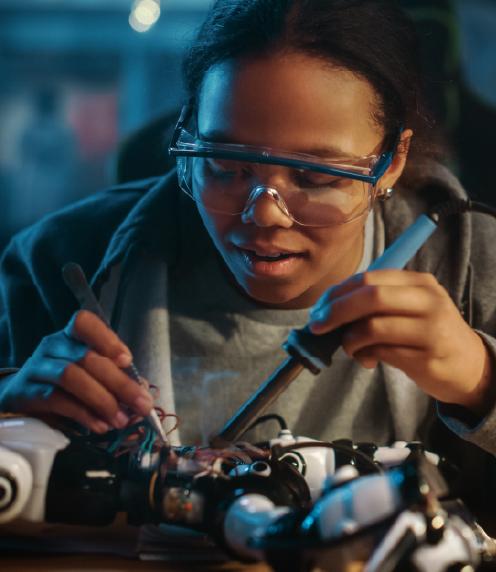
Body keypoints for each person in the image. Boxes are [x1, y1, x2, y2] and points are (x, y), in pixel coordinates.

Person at [0, 0, 495, 511]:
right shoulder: (58, 261)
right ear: (189, 137)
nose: (266, 216)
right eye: (227, 167)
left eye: (317, 176)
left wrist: (482, 382)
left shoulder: (475, 268)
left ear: (392, 163)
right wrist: (11, 417)